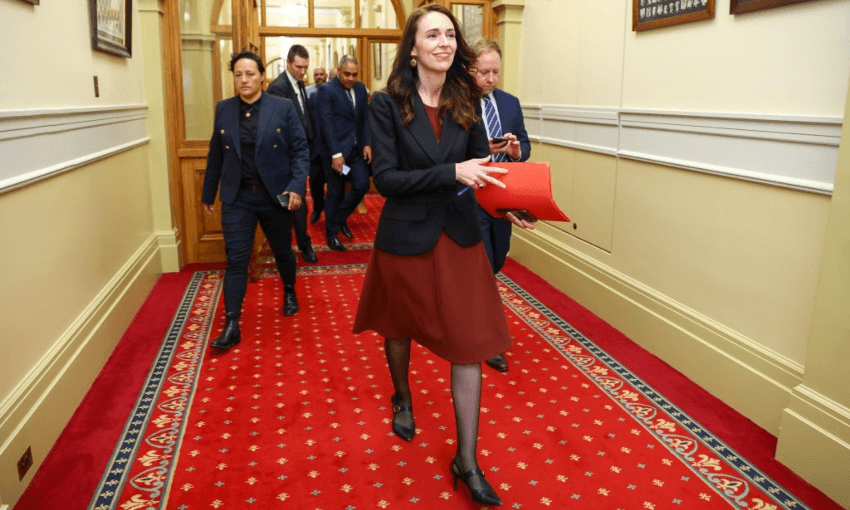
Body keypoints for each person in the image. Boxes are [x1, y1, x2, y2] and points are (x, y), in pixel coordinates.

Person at [353, 5, 534, 506]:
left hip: (458, 236)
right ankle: (403, 397)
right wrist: (451, 173)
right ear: (412, 48)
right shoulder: (385, 103)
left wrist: (509, 207)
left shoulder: (466, 98)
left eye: (450, 34)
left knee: (469, 343)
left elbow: (484, 172)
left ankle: (467, 460)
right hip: (405, 236)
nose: (443, 42)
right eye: (432, 34)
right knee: (399, 327)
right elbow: (385, 180)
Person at [202, 51, 309, 352]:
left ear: (262, 75)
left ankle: (289, 290)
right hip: (238, 196)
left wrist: (297, 187)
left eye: (250, 73)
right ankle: (232, 323)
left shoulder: (282, 107)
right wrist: (208, 193)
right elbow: (216, 154)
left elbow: (300, 150)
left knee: (282, 251)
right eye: (238, 74)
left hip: (275, 195)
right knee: (236, 259)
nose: (244, 80)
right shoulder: (224, 109)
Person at [471, 38, 536, 373]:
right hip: (470, 196)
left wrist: (514, 152)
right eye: (484, 71)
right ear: (471, 70)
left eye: (496, 71)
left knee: (497, 257)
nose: (491, 78)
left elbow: (524, 144)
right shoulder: (459, 103)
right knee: (482, 266)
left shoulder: (510, 103)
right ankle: (487, 338)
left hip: (503, 196)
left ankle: (468, 303)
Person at [267, 44, 320, 263]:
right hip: (286, 157)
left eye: (305, 67)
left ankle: (300, 245)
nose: (303, 71)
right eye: (298, 66)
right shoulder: (278, 87)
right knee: (293, 203)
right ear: (288, 63)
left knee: (298, 203)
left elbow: (304, 116)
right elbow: (280, 127)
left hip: (302, 153)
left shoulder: (298, 82)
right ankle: (295, 248)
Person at [316, 55, 372, 251]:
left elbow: (364, 118)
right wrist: (335, 154)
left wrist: (366, 143)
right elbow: (326, 124)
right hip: (335, 154)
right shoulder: (327, 90)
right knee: (335, 191)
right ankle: (332, 235)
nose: (350, 78)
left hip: (355, 152)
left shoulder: (360, 89)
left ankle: (339, 218)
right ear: (339, 71)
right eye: (346, 74)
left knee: (362, 184)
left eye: (354, 74)